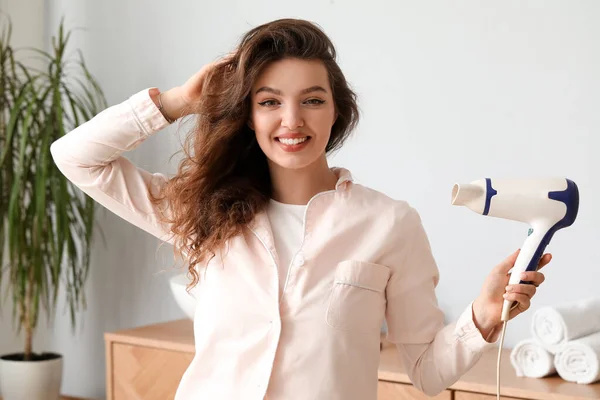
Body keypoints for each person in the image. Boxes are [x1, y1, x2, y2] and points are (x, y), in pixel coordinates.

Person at [50, 18, 551, 400]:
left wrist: (484, 316)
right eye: (269, 101)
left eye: (312, 99)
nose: (292, 120)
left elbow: (426, 371)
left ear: (337, 111)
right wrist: (179, 101)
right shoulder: (203, 212)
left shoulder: (389, 224)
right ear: (248, 113)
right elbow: (75, 157)